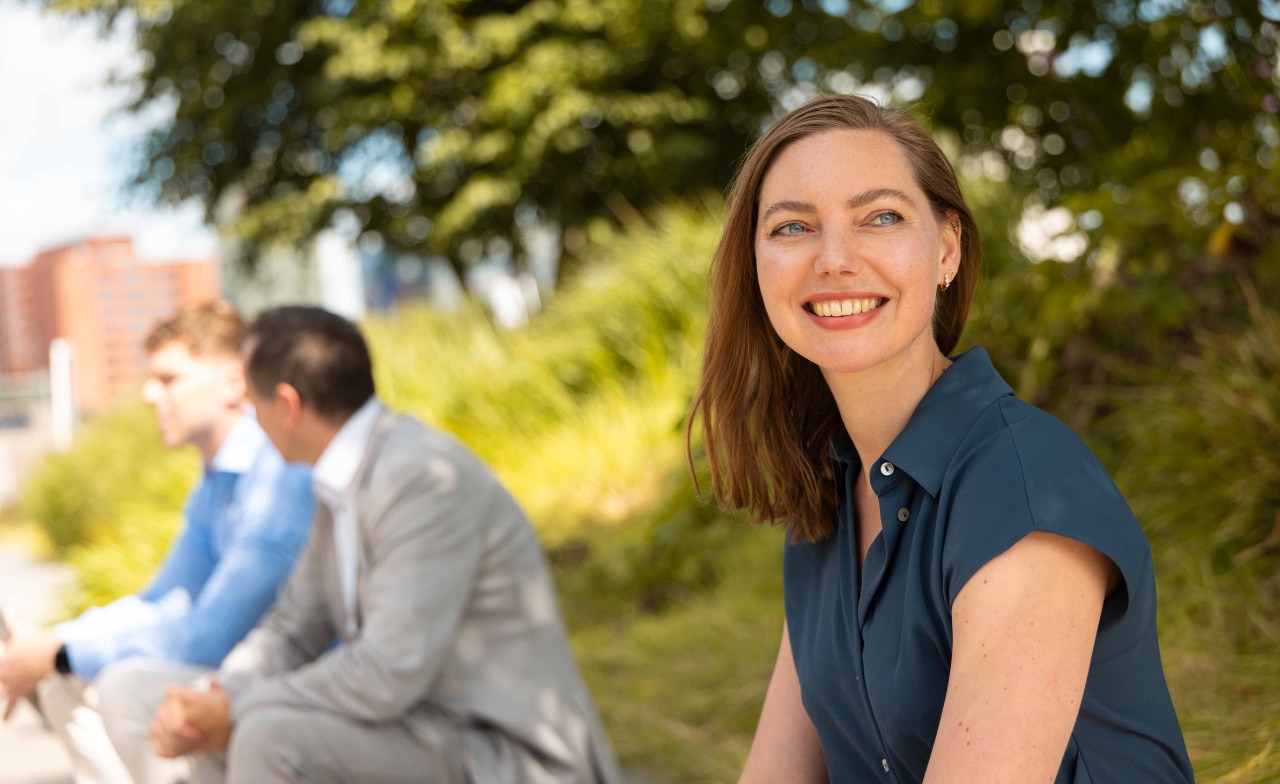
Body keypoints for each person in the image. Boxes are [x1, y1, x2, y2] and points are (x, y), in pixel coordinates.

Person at [687, 94, 1194, 783]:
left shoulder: (1025, 490)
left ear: (948, 248)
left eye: (881, 217)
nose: (834, 258)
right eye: (792, 228)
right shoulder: (829, 501)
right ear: (755, 265)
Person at [148, 305, 621, 784]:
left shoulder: (419, 479)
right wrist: (217, 695)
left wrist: (233, 711)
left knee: (267, 735)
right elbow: (294, 628)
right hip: (422, 729)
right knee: (215, 731)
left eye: (253, 402)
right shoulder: (336, 482)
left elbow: (386, 673)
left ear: (288, 406)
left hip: (506, 752)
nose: (249, 418)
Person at [0, 302, 314, 784]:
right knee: (66, 680)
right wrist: (55, 645)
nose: (149, 394)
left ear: (234, 382)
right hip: (246, 677)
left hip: (302, 684)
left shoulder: (277, 473)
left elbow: (213, 635)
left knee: (126, 688)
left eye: (169, 379)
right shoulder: (214, 484)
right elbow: (161, 602)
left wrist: (57, 648)